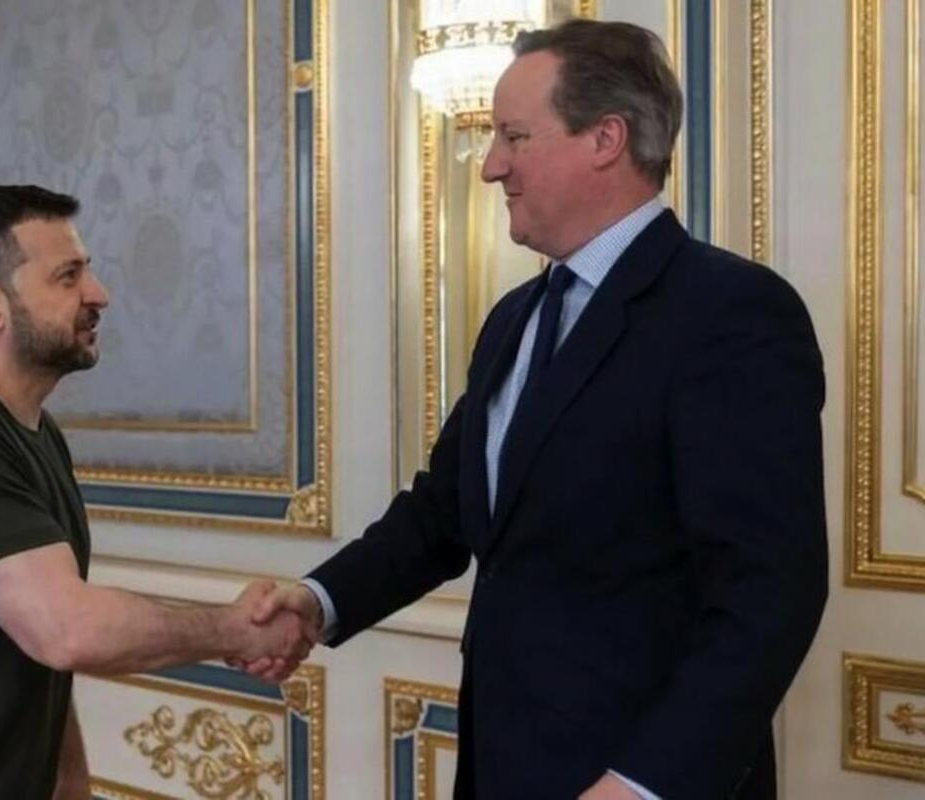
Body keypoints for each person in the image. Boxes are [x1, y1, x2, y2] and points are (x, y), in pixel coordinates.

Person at [244, 19, 828, 799]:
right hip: (505, 767)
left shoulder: (731, 313)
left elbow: (769, 592)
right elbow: (444, 513)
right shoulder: (516, 317)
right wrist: (318, 602)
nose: (491, 166)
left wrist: (644, 784)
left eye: (514, 137)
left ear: (606, 139)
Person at [0, 185, 304, 800]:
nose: (98, 293)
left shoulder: (35, 433)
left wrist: (71, 781)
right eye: (68, 276)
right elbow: (66, 628)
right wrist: (235, 629)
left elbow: (36, 635)